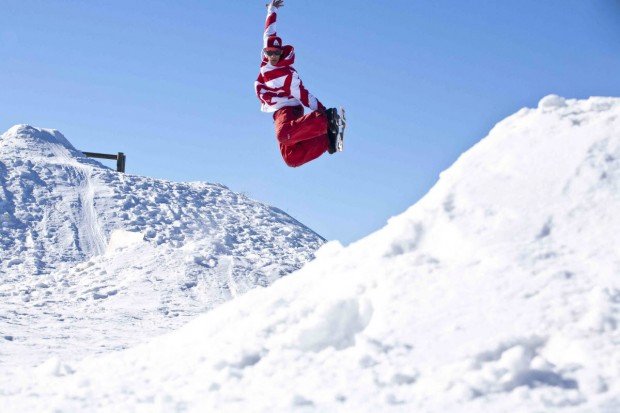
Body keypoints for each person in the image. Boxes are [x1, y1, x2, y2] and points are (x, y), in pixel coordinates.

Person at [254, 0, 340, 167]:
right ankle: (327, 140)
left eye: (276, 53)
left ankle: (325, 121)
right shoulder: (266, 61)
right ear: (265, 51)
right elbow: (268, 31)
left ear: (281, 52)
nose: (272, 56)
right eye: (269, 52)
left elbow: (303, 95)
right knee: (291, 158)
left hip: (289, 109)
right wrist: (272, 9)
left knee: (283, 134)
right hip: (277, 113)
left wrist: (325, 113)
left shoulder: (288, 74)